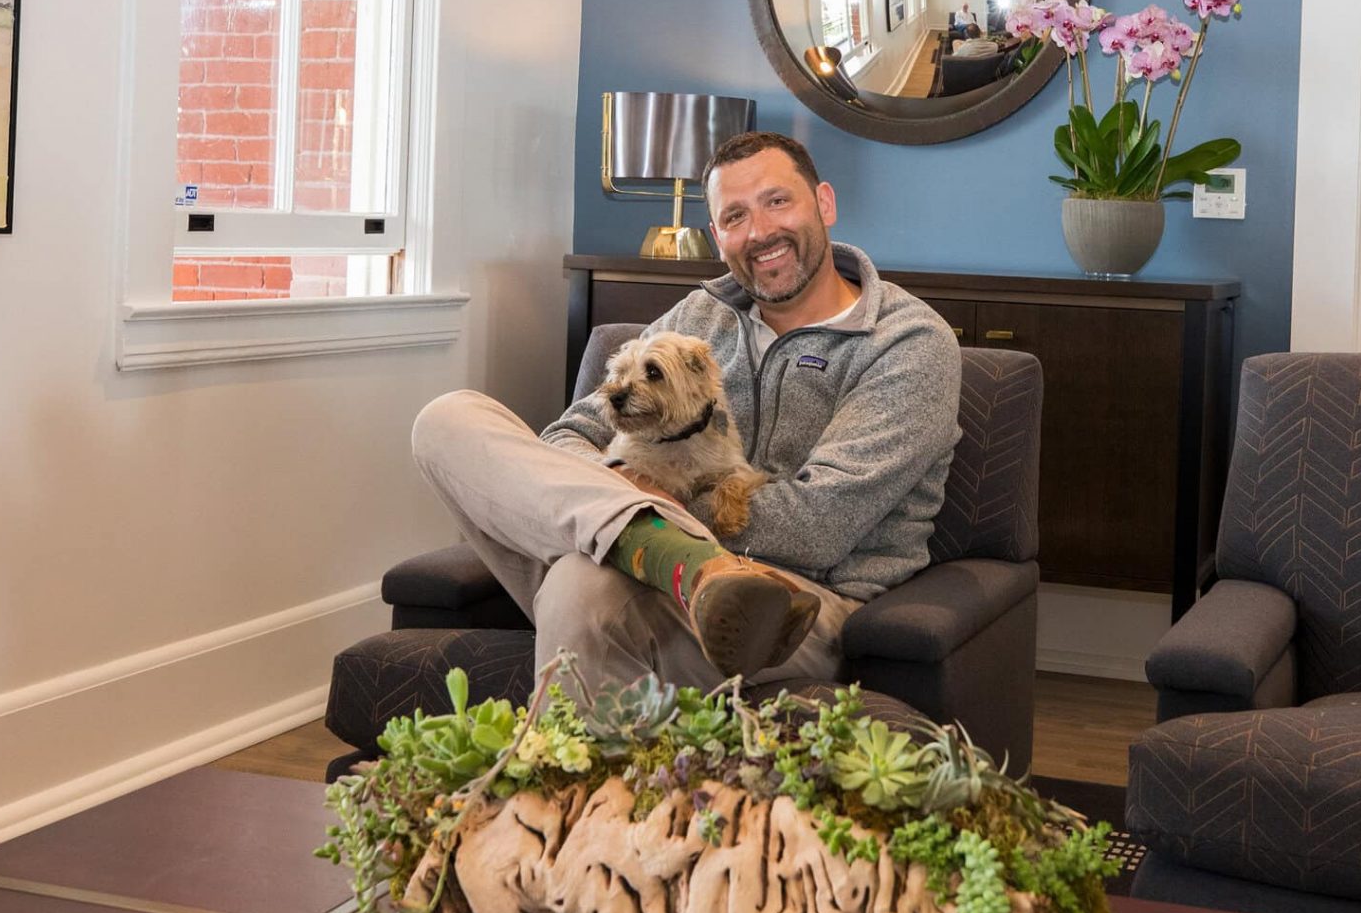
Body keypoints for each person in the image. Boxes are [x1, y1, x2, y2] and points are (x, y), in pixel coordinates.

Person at [409, 130, 961, 691]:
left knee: (581, 585)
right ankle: (657, 555)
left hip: (794, 605)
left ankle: (649, 569)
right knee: (447, 420)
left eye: (777, 201)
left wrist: (647, 500)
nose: (760, 232)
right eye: (735, 216)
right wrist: (626, 495)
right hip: (644, 572)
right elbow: (573, 432)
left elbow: (817, 527)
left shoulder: (907, 341)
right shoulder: (699, 315)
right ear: (717, 235)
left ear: (823, 203)